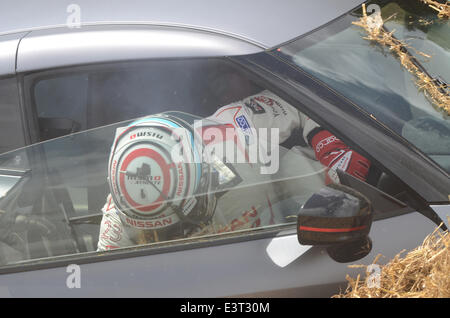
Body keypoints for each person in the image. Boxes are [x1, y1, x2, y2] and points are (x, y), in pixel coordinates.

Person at [97, 90, 371, 251]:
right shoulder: (119, 215)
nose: (178, 234)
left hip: (289, 238)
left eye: (183, 223)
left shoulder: (234, 131)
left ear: (204, 174)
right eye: (158, 233)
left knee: (293, 164)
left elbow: (298, 96)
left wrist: (326, 141)